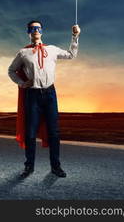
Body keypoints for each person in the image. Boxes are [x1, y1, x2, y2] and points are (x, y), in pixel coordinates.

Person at [8, 20, 80, 178]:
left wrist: (75, 36)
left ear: (42, 31)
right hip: (32, 95)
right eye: (32, 28)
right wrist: (21, 83)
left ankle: (56, 167)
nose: (36, 30)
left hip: (49, 94)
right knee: (30, 133)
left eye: (38, 28)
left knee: (54, 132)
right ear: (28, 32)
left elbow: (71, 55)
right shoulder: (23, 53)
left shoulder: (52, 50)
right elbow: (11, 70)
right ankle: (29, 167)